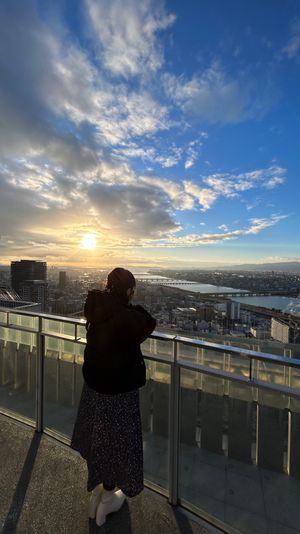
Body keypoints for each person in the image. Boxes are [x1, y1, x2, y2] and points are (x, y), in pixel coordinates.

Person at [70, 267, 156, 527]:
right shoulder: (126, 317)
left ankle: (99, 492)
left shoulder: (97, 306)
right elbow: (149, 321)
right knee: (117, 442)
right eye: (132, 291)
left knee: (98, 438)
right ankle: (108, 495)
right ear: (128, 291)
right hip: (118, 394)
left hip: (93, 388)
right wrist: (131, 303)